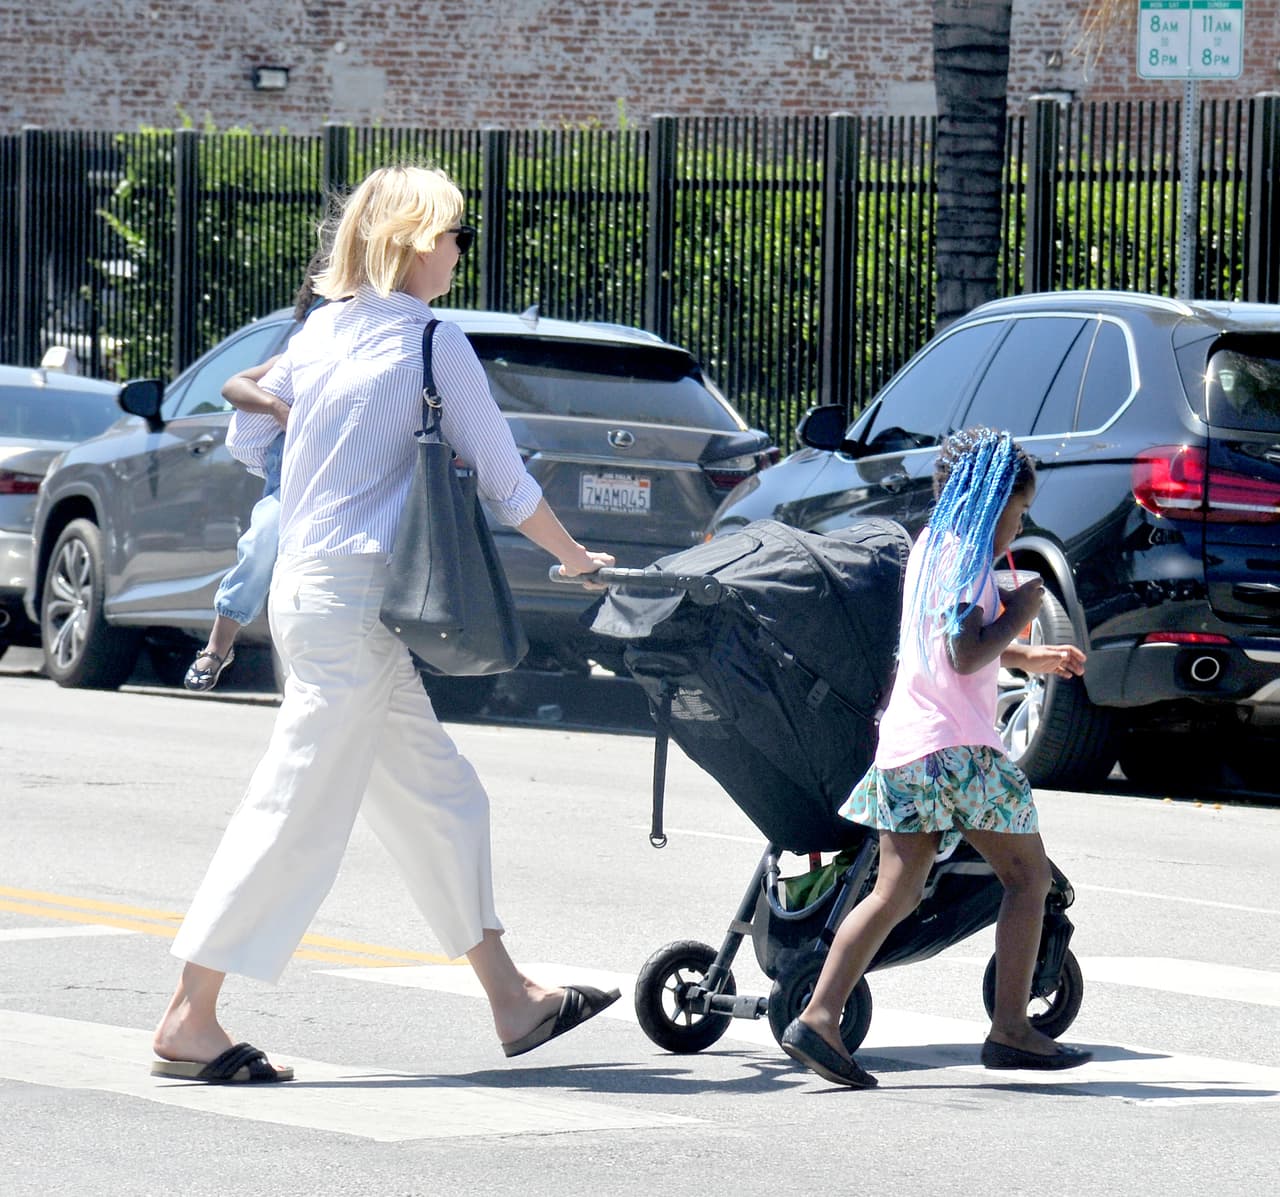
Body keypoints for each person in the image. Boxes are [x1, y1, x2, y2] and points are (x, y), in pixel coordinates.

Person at [151, 165, 618, 1085]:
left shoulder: (323, 330)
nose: (459, 251)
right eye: (453, 235)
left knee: (441, 797)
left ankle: (510, 997)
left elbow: (251, 438)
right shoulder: (433, 342)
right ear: (411, 242)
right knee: (295, 806)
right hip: (358, 603)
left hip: (313, 589)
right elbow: (503, 476)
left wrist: (318, 431)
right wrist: (573, 556)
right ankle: (188, 1015)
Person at [781, 426, 1093, 1089]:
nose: (1021, 522)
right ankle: (1011, 1027)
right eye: (1019, 509)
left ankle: (820, 1015)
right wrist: (1022, 610)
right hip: (960, 754)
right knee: (1027, 879)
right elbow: (964, 651)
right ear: (991, 499)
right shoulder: (970, 557)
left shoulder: (932, 548)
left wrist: (1028, 652)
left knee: (895, 888)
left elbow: (949, 640)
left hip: (909, 745)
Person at [183, 276, 323, 692]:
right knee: (263, 540)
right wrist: (277, 407)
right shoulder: (302, 353)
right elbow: (234, 385)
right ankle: (217, 645)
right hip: (293, 483)